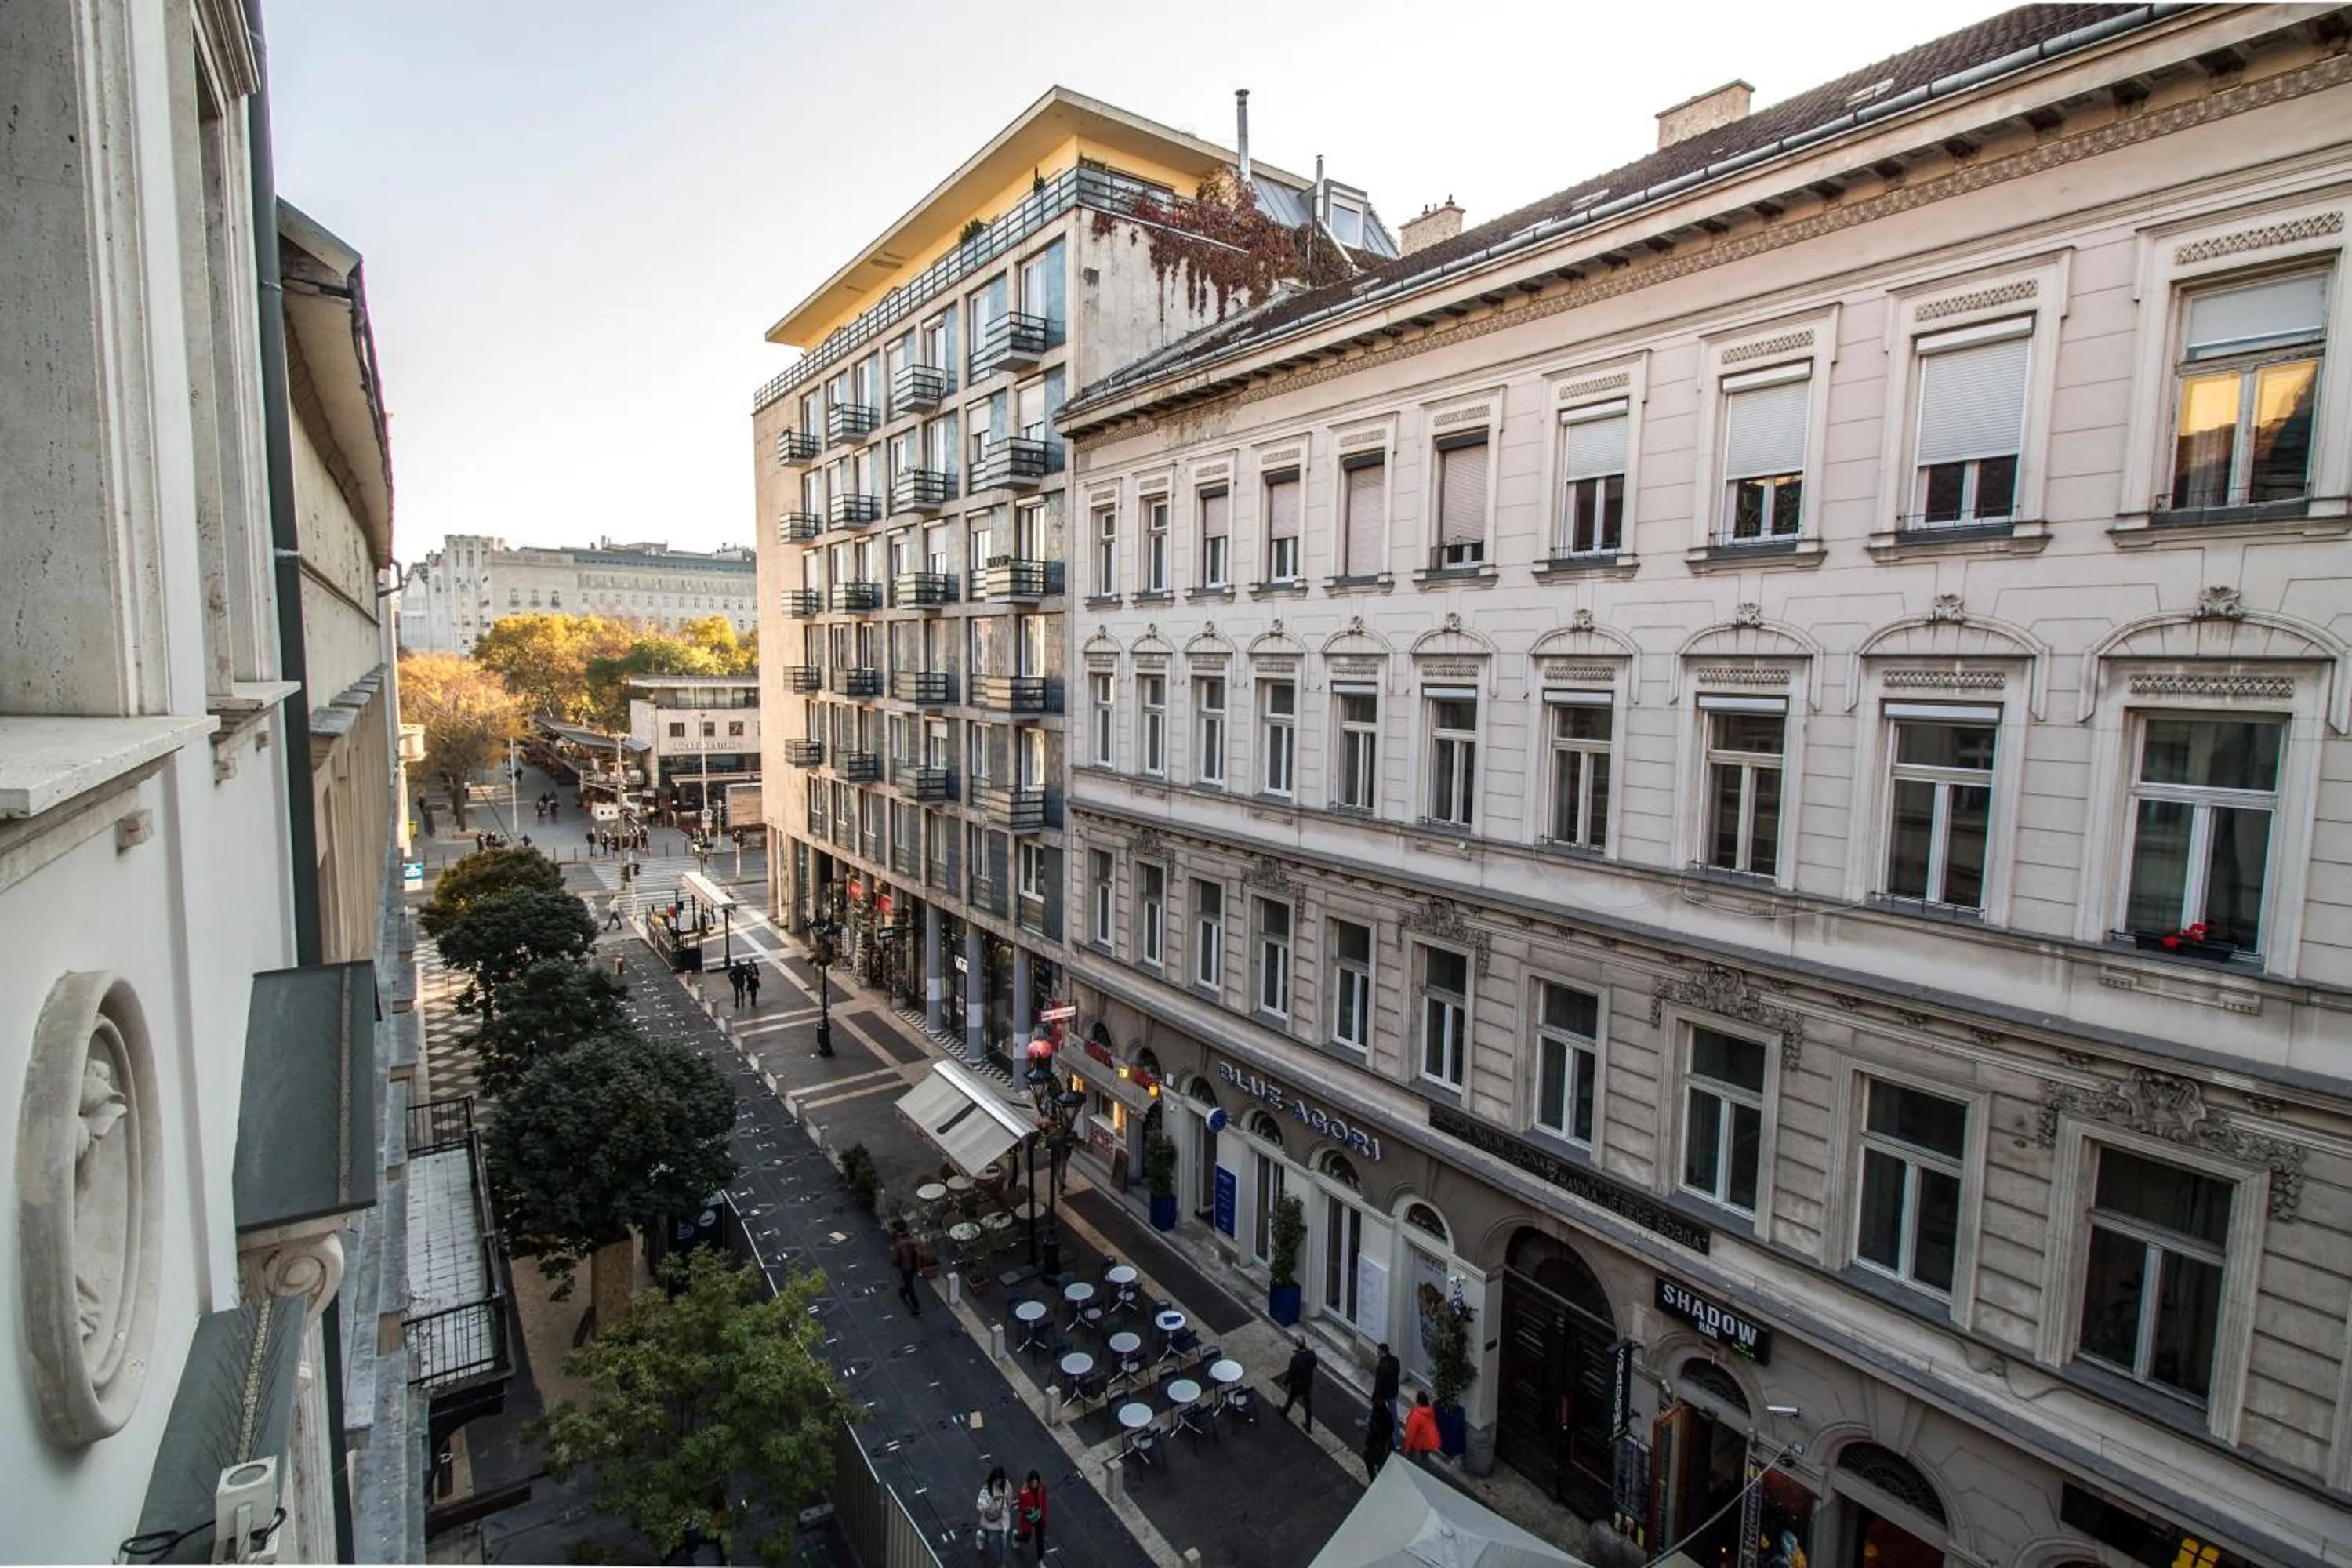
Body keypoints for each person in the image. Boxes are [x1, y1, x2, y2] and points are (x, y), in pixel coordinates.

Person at [974, 1466, 1012, 1564]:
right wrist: (992, 1501)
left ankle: (1002, 1563)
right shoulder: (986, 1490)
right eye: (996, 1480)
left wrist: (1007, 1505)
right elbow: (980, 1506)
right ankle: (981, 1536)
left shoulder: (1007, 1486)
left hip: (1001, 1518)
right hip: (989, 1517)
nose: (997, 1483)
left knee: (1003, 1542)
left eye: (999, 1480)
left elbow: (1010, 1498)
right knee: (984, 1530)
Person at [1280, 1334, 1318, 1429]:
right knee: (1307, 1404)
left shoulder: (1295, 1359)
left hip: (1297, 1384)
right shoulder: (1311, 1354)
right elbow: (1314, 1364)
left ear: (1296, 1344)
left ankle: (1285, 1411)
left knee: (1291, 1398)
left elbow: (1291, 1372)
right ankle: (1308, 1425)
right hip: (1307, 1383)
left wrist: (1286, 1382)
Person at [1371, 1341, 1402, 1448]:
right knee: (1394, 1416)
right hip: (1393, 1392)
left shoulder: (1381, 1367)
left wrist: (1375, 1396)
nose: (1376, 1353)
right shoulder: (1395, 1361)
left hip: (1384, 1395)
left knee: (1378, 1413)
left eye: (1378, 1351)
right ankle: (1397, 1441)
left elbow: (1378, 1384)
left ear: (1381, 1352)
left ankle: (1378, 1434)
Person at [891, 1225, 924, 1318]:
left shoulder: (899, 1245)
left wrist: (895, 1262)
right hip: (914, 1266)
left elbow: (896, 1259)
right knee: (909, 1283)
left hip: (906, 1267)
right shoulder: (914, 1241)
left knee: (910, 1287)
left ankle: (917, 1308)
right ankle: (903, 1291)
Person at [1401, 1390, 1441, 1465]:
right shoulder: (1430, 1409)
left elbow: (1410, 1433)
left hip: (1419, 1440)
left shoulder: (1416, 1415)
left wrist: (1406, 1448)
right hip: (1429, 1439)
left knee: (1410, 1454)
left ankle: (1407, 1464)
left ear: (1418, 1401)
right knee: (1425, 1457)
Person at [1014, 1471, 1047, 1563]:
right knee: (1026, 1538)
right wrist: (1027, 1509)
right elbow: (1020, 1507)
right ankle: (1016, 1537)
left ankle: (1040, 1560)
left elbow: (1043, 1503)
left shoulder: (1042, 1489)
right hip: (1028, 1519)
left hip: (1039, 1517)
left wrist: (1044, 1517)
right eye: (1033, 1483)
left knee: (1040, 1540)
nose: (1035, 1485)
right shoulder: (1024, 1493)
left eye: (1036, 1483)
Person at [1363, 1399, 1394, 1483]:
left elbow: (1372, 1431)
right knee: (1381, 1465)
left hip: (1374, 1447)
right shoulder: (1388, 1416)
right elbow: (1391, 1430)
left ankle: (1374, 1480)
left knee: (1371, 1464)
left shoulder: (1375, 1419)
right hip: (1382, 1447)